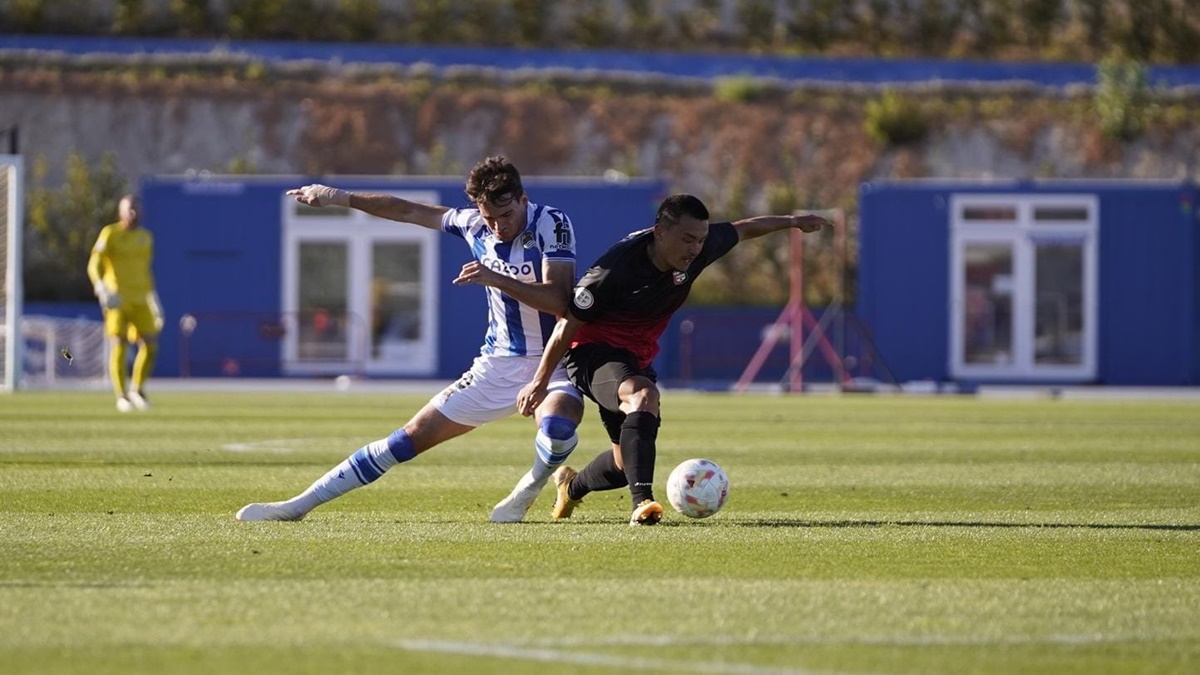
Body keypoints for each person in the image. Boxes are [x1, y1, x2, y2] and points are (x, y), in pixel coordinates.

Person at [236, 156, 585, 523]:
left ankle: (524, 493)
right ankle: (297, 506)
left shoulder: (552, 222)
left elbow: (560, 301)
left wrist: (498, 278)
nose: (498, 227)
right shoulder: (472, 226)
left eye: (506, 216)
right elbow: (405, 210)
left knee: (558, 429)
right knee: (406, 439)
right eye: (489, 218)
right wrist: (336, 196)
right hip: (498, 362)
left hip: (556, 359)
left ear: (523, 199)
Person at [515, 194, 830, 526]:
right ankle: (644, 504)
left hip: (635, 356)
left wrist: (793, 223)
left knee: (625, 464)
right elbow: (567, 324)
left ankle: (570, 487)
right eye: (688, 239)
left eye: (701, 240)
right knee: (643, 396)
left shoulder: (699, 251)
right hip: (592, 352)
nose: (695, 248)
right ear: (660, 232)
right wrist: (539, 382)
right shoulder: (613, 270)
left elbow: (745, 229)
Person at [87, 194, 163, 412]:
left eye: (135, 209)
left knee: (150, 345)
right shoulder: (110, 234)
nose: (132, 213)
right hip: (117, 299)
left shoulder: (146, 237)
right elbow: (94, 263)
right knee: (119, 344)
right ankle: (121, 395)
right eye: (128, 209)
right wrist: (101, 287)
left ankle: (137, 389)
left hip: (141, 299)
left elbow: (145, 270)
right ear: (120, 212)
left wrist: (154, 298)